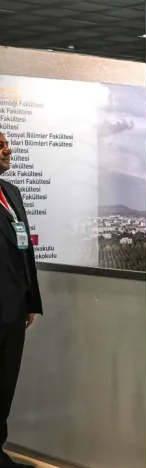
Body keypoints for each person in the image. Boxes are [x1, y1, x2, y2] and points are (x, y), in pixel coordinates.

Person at [0, 132, 42, 468]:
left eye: (6, 143)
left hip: (14, 308)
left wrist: (30, 300)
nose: (7, 149)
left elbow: (24, 249)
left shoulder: (11, 192)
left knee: (5, 382)